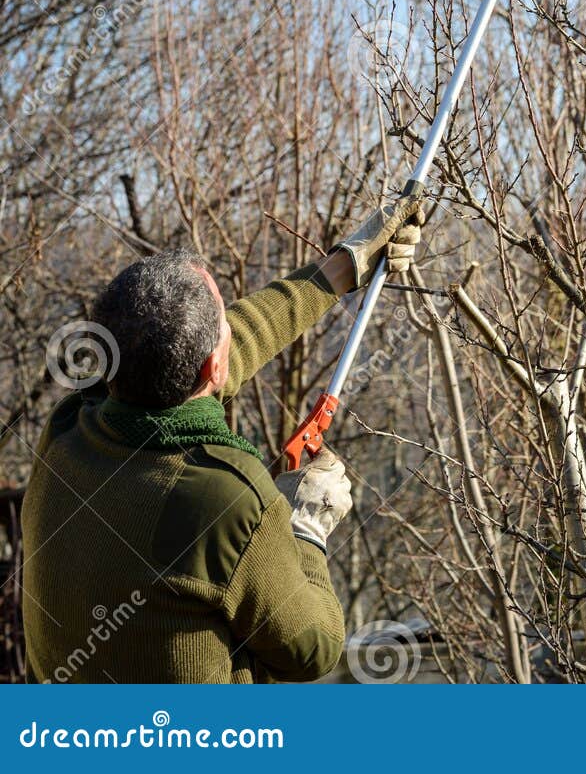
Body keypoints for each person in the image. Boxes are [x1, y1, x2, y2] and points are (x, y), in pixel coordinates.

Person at [20, 201, 424, 683]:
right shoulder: (224, 496)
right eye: (224, 327)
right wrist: (307, 529)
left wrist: (340, 269)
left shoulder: (68, 429)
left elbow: (205, 360)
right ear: (213, 367)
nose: (234, 329)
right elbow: (314, 650)